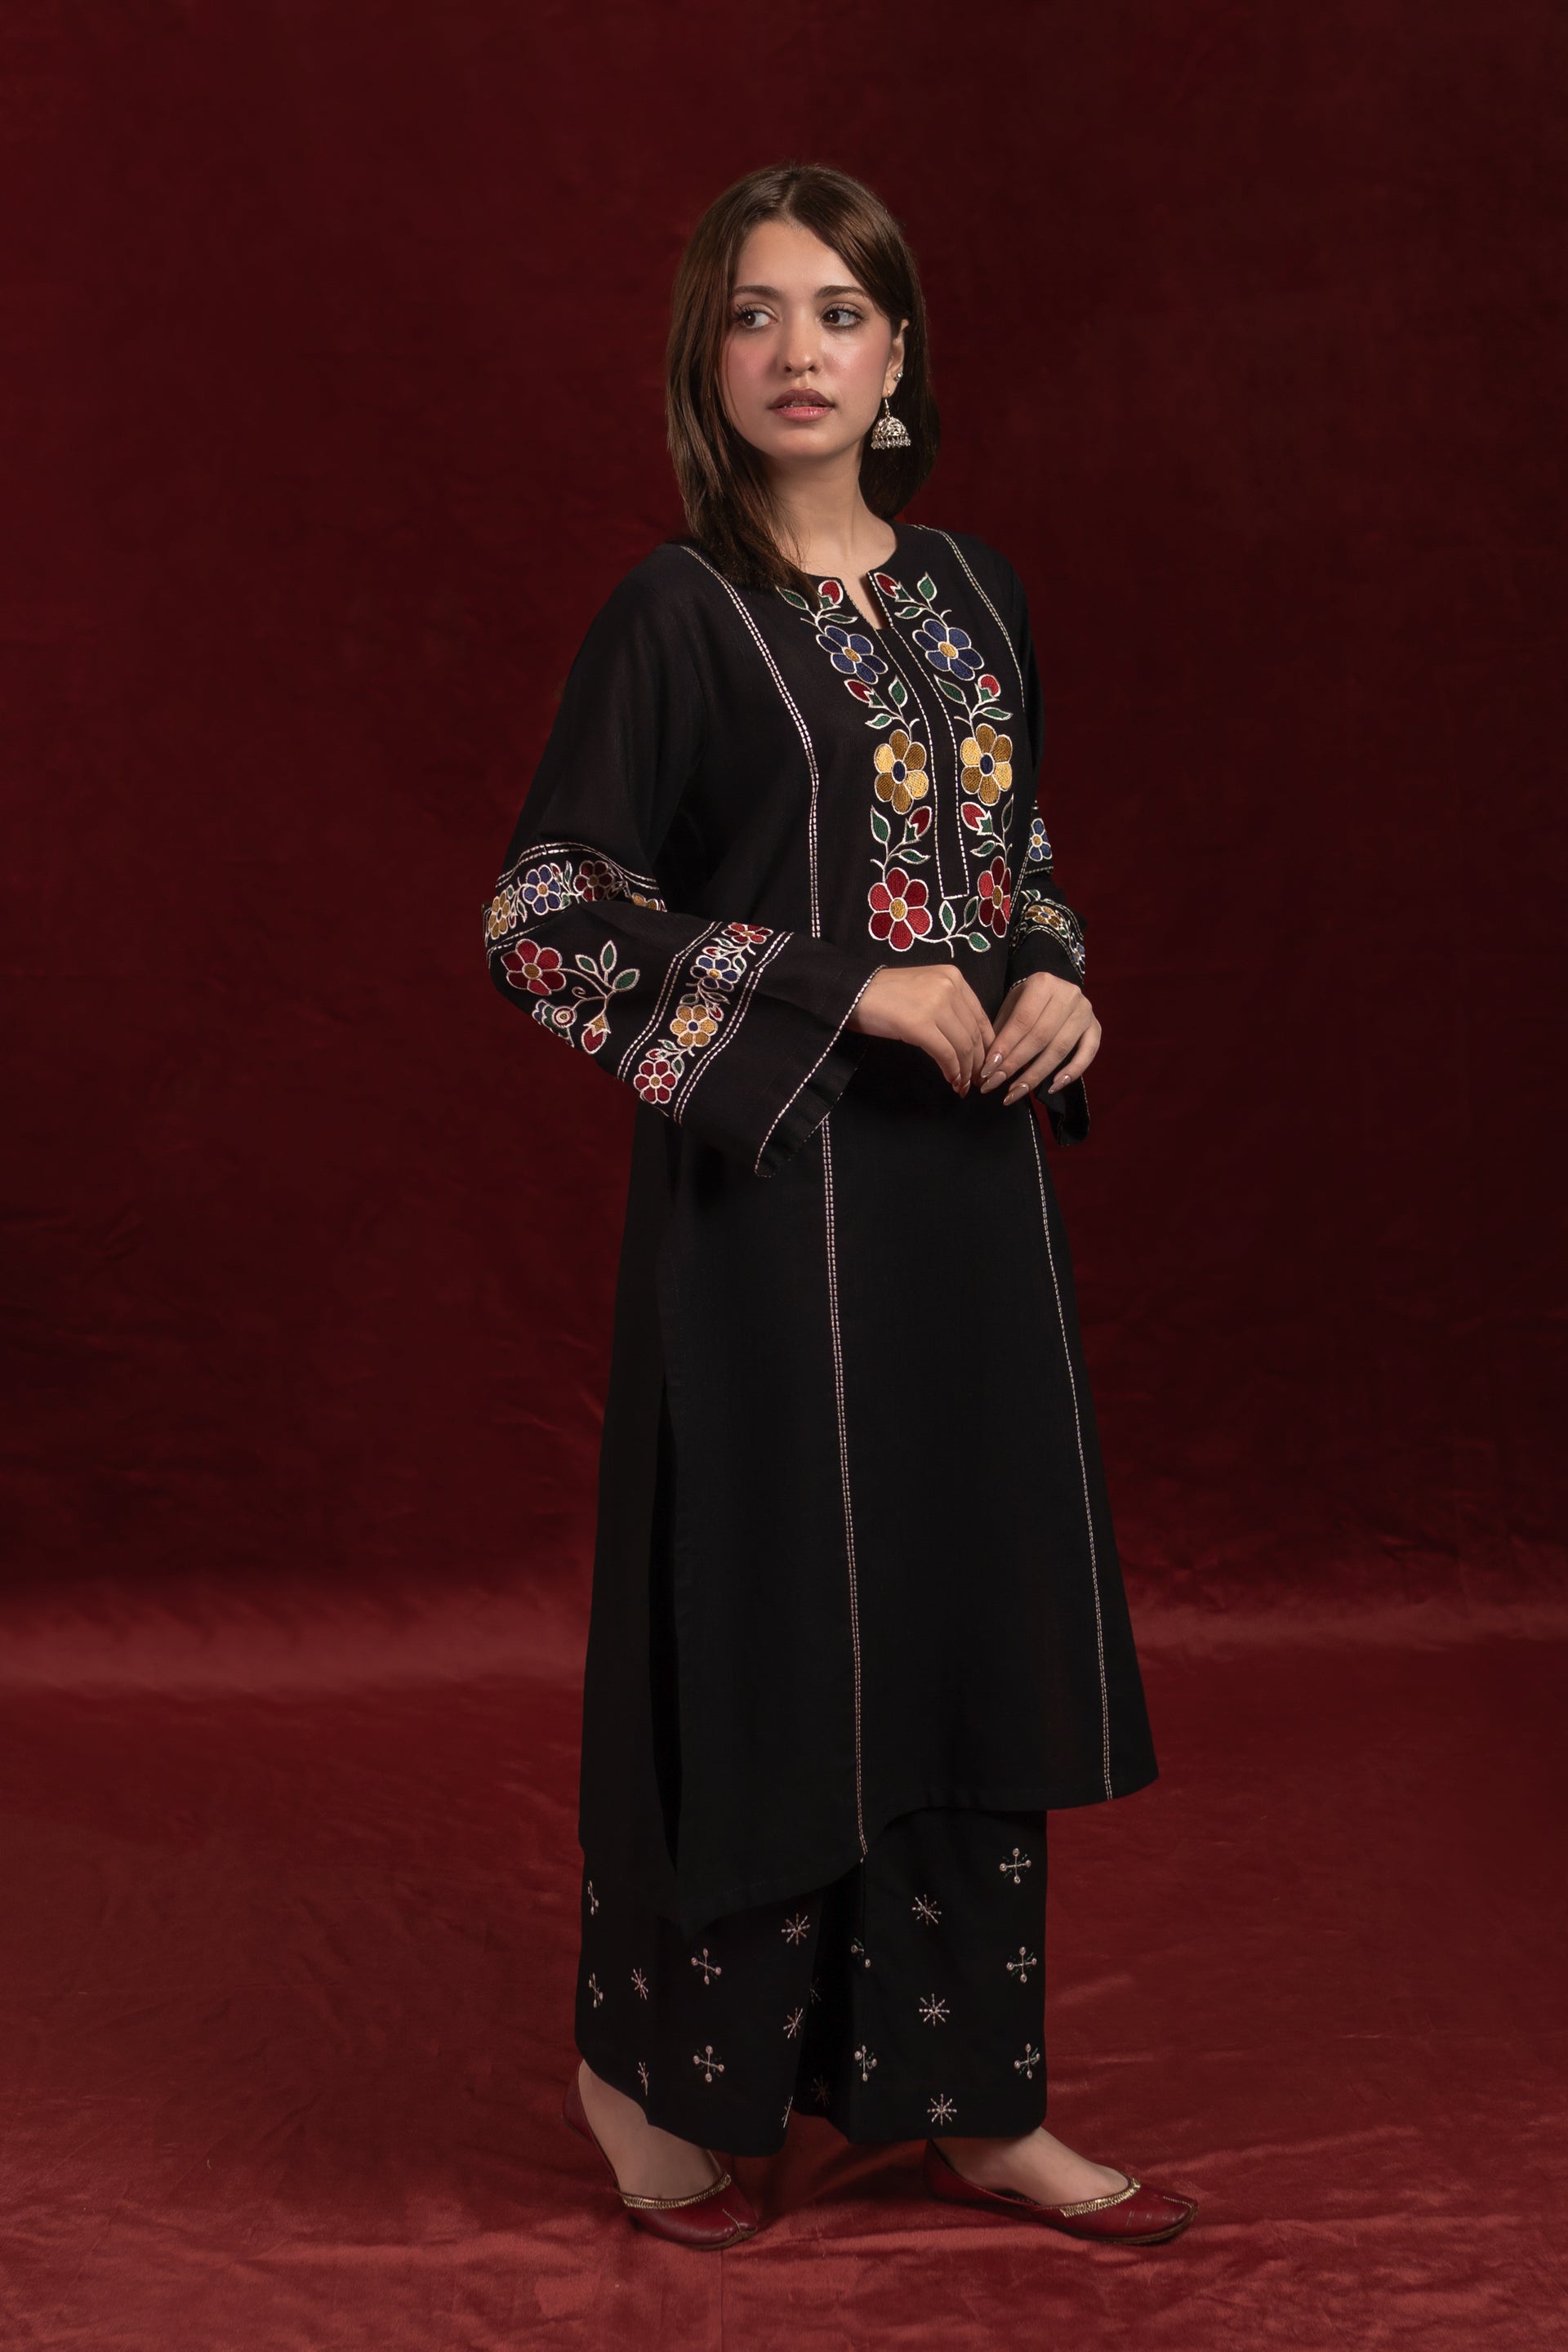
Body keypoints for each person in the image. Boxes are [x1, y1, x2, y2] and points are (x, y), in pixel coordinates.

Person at [483, 162, 1196, 2251]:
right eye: (754, 313)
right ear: (707, 361)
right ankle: (656, 2084)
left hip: (966, 1210)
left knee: (966, 1624)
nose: (799, 351)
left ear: (900, 357)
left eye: (841, 312)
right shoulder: (675, 612)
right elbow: (544, 919)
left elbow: (1009, 852)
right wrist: (835, 987)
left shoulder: (977, 591)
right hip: (769, 1211)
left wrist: (1053, 970)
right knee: (772, 1624)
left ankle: (972, 2100)